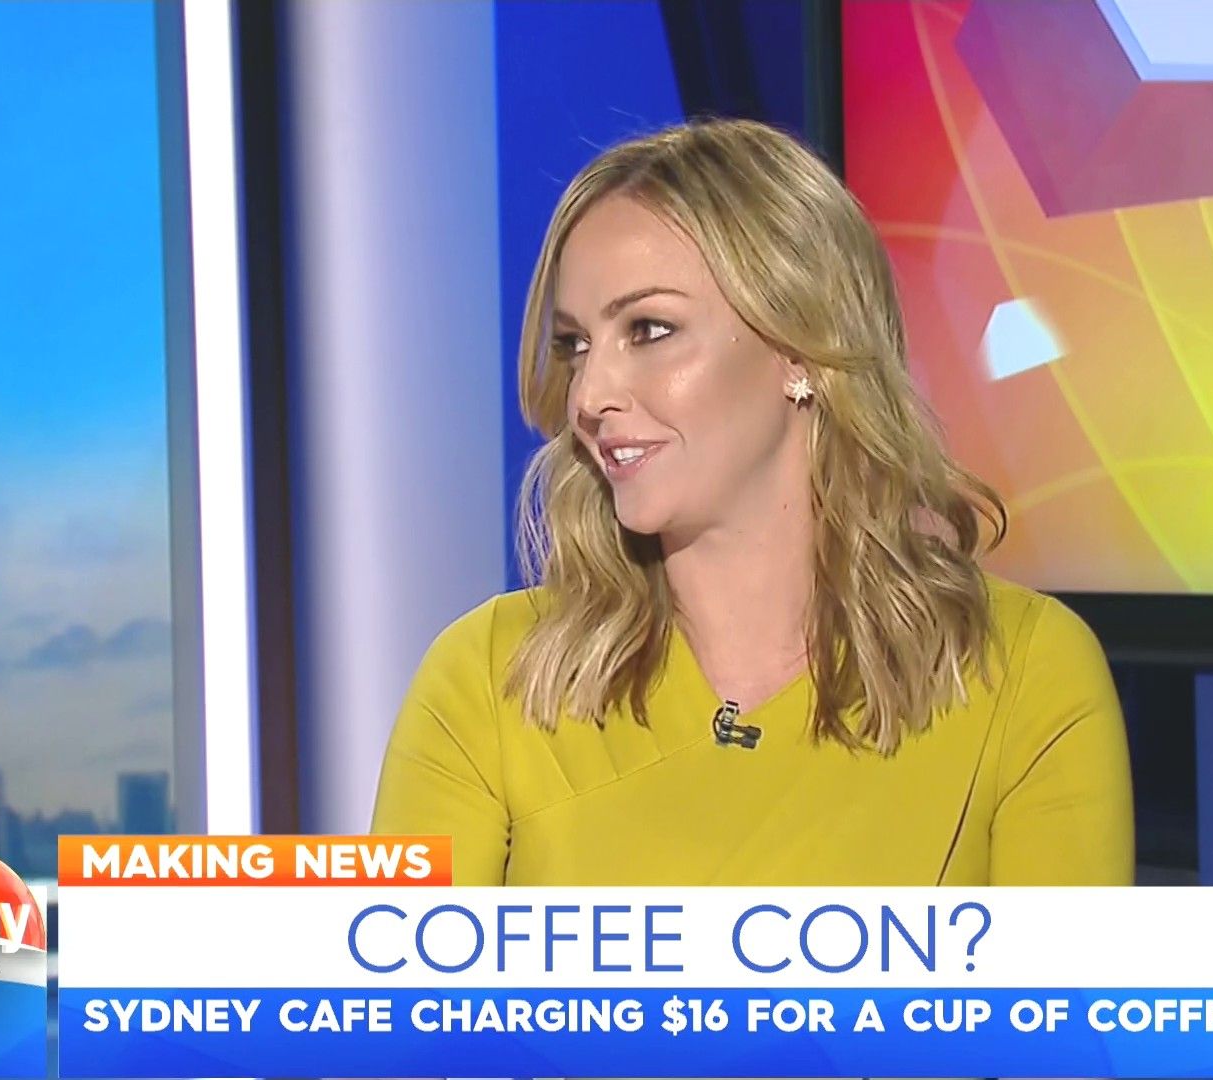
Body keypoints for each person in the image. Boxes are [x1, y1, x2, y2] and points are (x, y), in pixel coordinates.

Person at [371, 118, 1132, 888]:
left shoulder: (1024, 677)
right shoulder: (486, 680)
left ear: (799, 349)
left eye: (649, 329)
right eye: (576, 345)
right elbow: (389, 970)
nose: (590, 395)